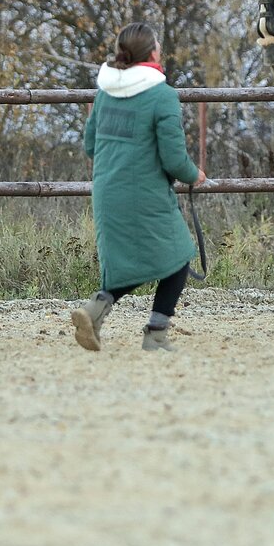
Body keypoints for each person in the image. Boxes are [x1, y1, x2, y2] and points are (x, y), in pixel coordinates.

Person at [72, 22, 205, 353]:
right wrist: (194, 175)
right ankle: (156, 335)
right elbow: (174, 158)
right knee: (178, 257)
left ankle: (97, 307)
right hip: (145, 194)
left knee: (130, 261)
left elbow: (90, 146)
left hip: (106, 192)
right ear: (153, 53)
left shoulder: (105, 93)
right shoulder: (162, 96)